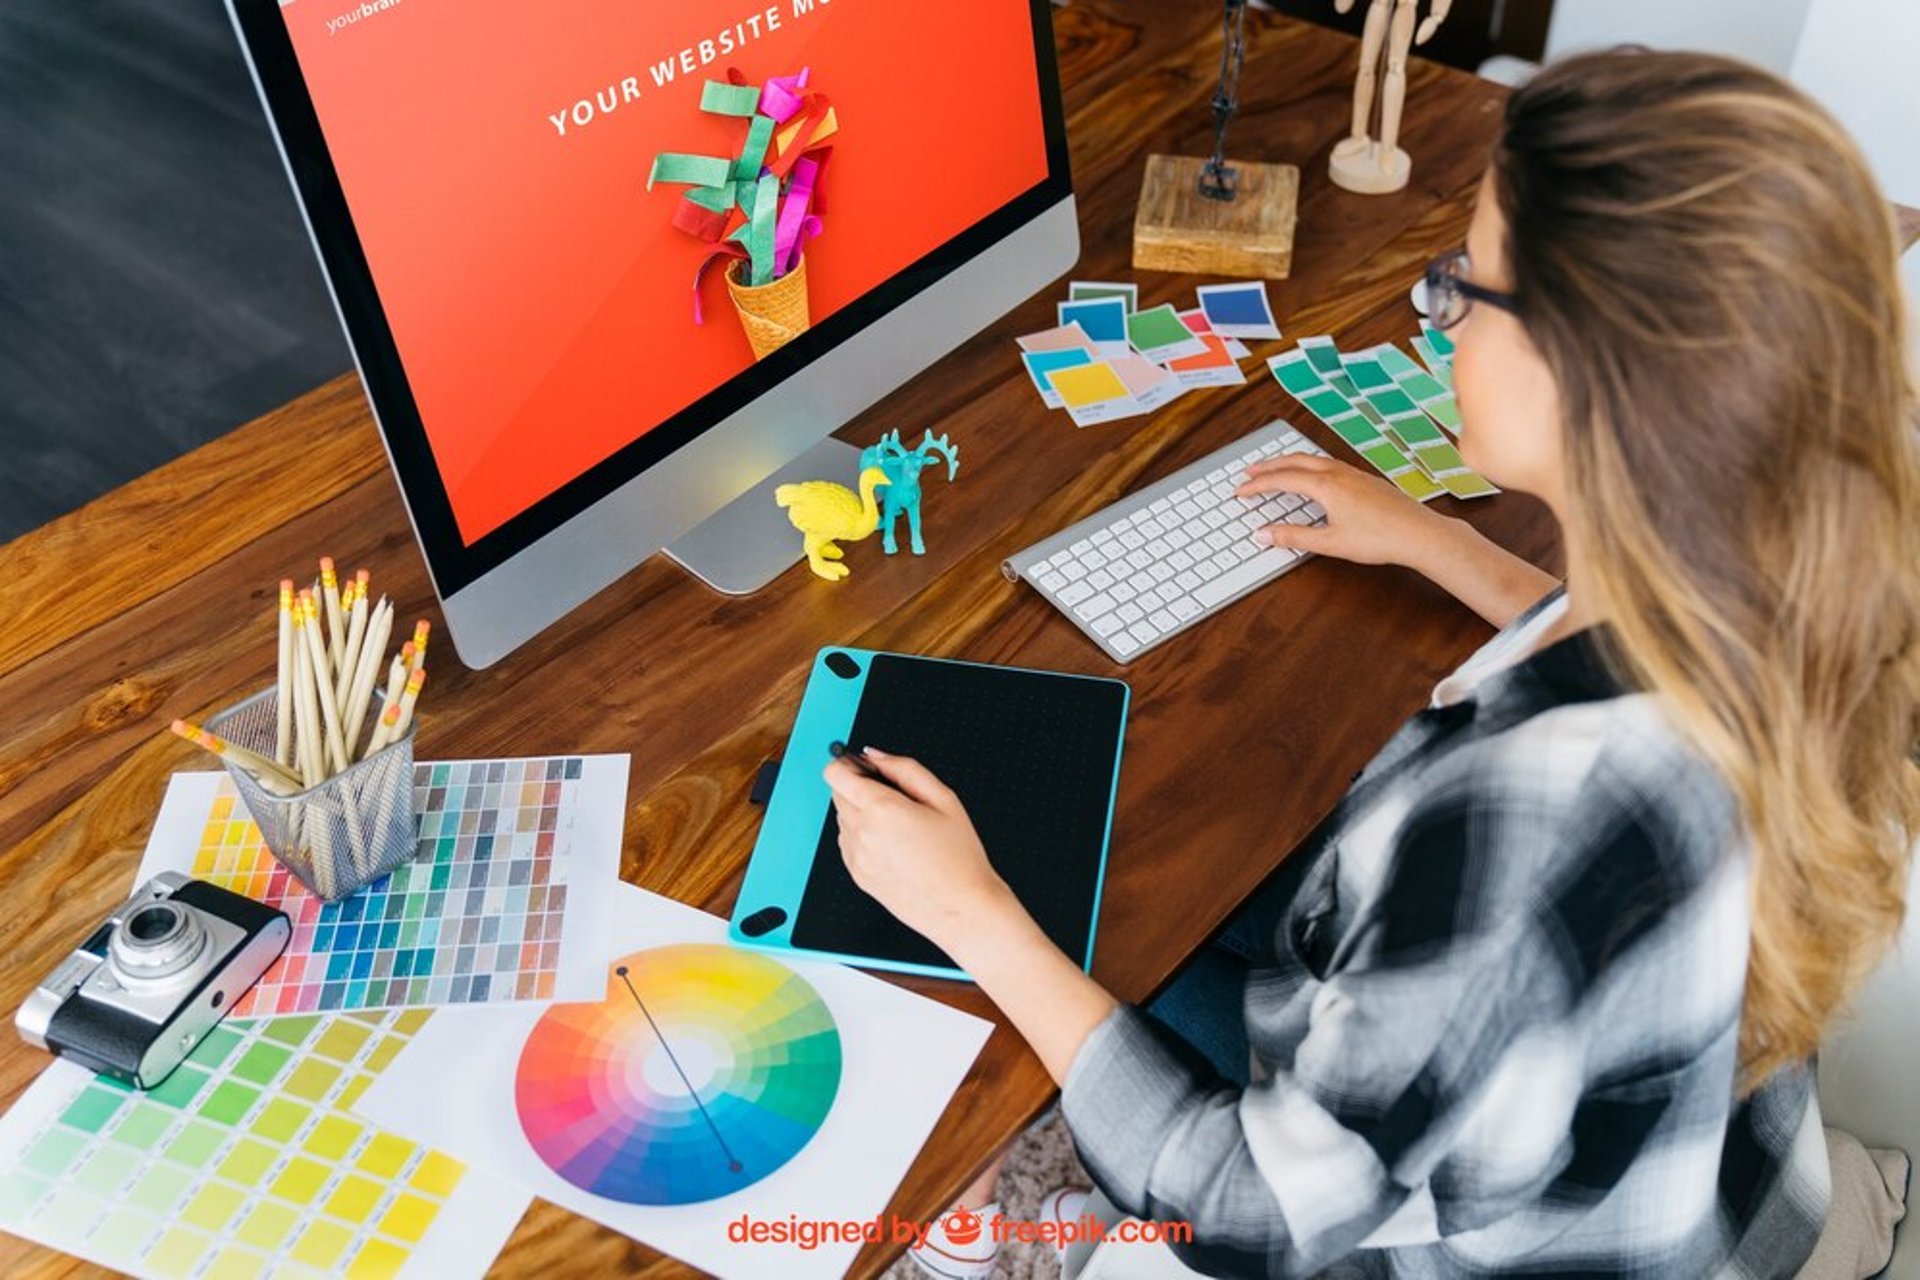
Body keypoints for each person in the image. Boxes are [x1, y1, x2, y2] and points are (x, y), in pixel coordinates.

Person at [823, 48, 1920, 1280]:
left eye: (1464, 287)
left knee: (1063, 908)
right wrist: (1438, 542)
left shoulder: (1526, 816)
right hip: (1710, 1176)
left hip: (1499, 1239)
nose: (1439, 317)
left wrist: (972, 916)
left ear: (1586, 369)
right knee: (1180, 865)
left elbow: (1253, 1207)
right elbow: (1621, 655)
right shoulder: (1797, 580)